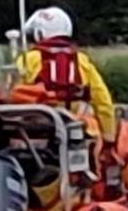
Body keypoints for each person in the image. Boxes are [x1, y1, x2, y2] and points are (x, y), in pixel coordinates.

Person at [18, 7, 117, 142]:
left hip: (35, 132)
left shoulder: (28, 59)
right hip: (77, 131)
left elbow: (11, 94)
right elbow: (103, 101)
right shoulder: (81, 60)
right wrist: (108, 135)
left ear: (40, 33)